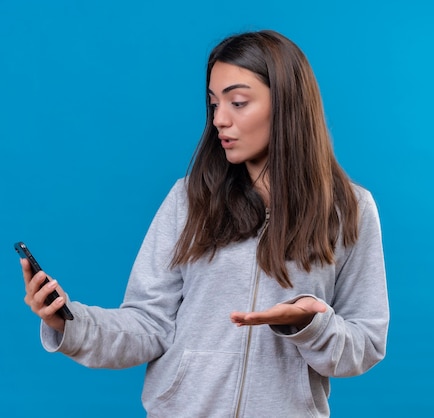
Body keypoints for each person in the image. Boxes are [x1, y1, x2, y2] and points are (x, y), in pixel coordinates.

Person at [22, 29, 389, 417]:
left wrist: (311, 323)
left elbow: (365, 345)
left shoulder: (351, 209)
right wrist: (69, 322)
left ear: (287, 105)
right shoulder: (189, 200)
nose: (219, 119)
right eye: (214, 103)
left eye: (238, 101)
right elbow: (149, 323)